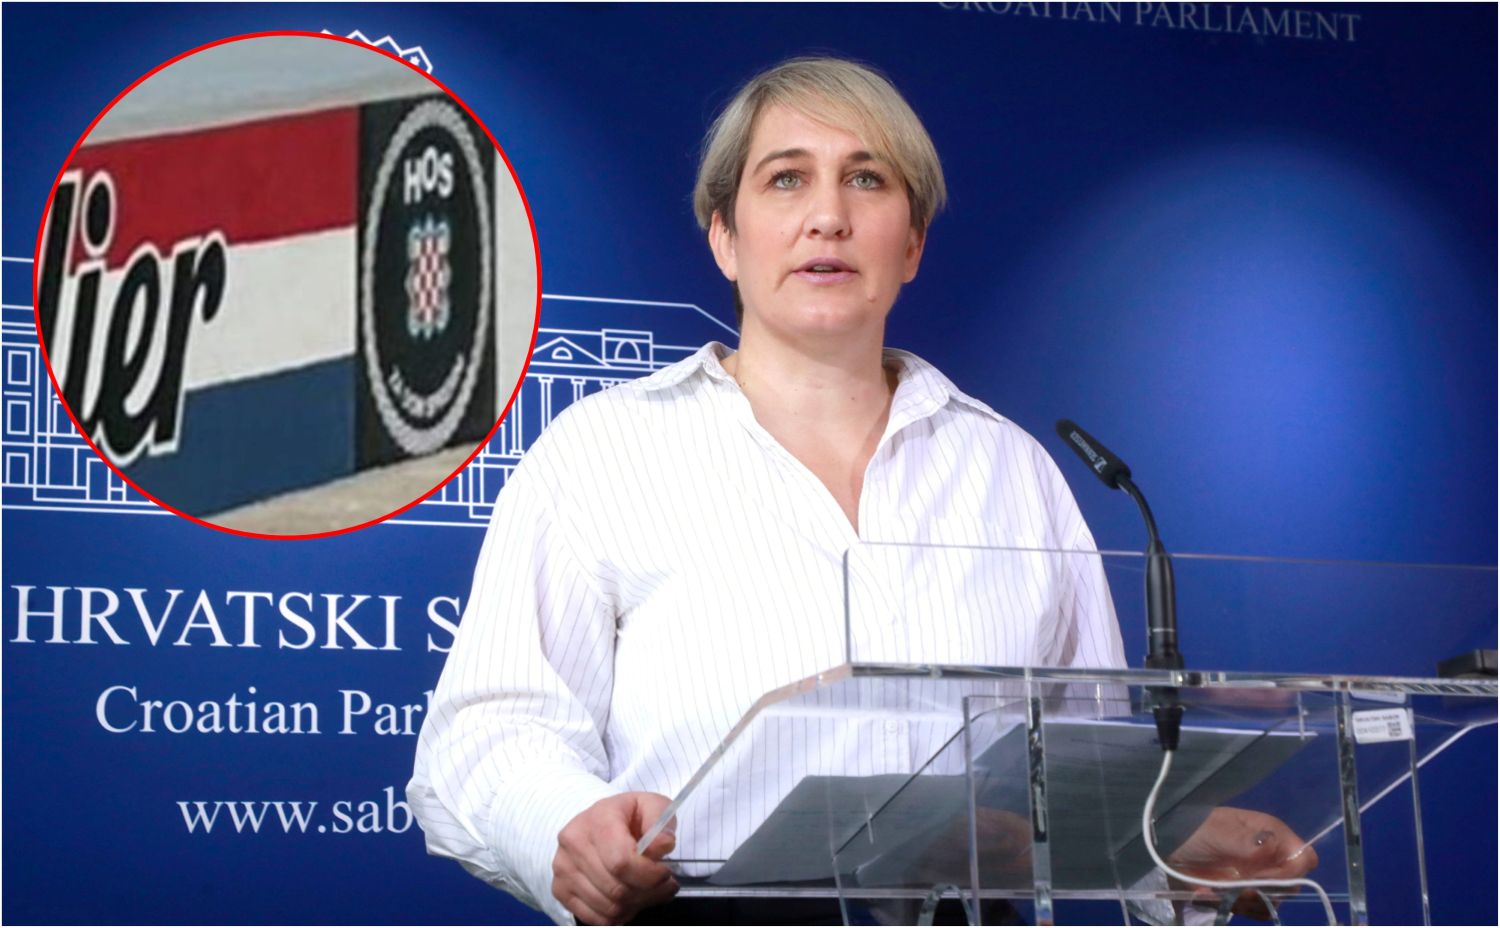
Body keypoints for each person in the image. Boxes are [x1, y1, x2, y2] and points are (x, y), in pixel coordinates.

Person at [408, 57, 1315, 926]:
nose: (828, 217)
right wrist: (568, 828)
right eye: (786, 179)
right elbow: (492, 728)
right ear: (725, 237)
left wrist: (1170, 849)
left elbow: (1087, 772)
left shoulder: (1013, 472)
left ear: (911, 243)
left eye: (868, 180)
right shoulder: (601, 452)